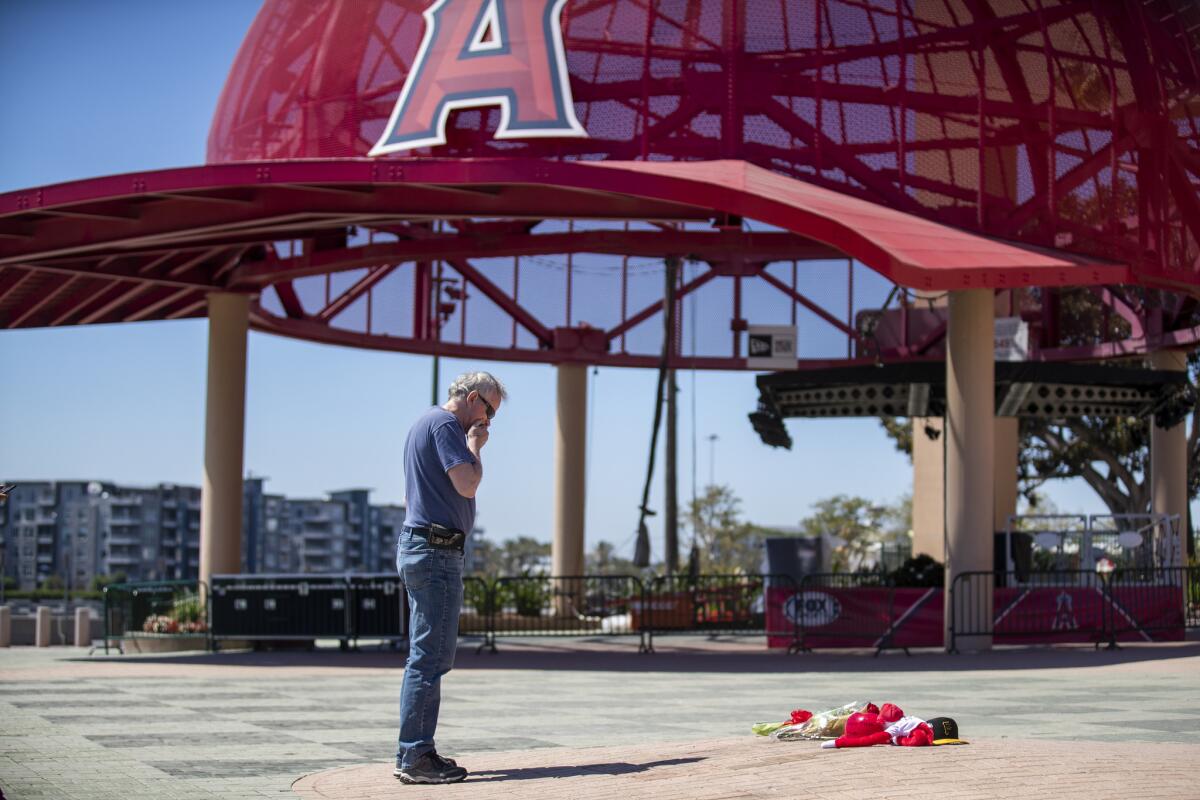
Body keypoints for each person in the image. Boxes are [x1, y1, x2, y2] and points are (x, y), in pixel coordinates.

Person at [394, 371, 505, 785]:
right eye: (489, 410)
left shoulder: (424, 424)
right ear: (473, 398)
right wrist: (475, 447)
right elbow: (468, 484)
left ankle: (414, 751)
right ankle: (416, 755)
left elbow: (414, 495)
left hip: (424, 546)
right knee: (430, 658)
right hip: (435, 551)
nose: (489, 421)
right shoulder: (445, 426)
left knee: (426, 656)